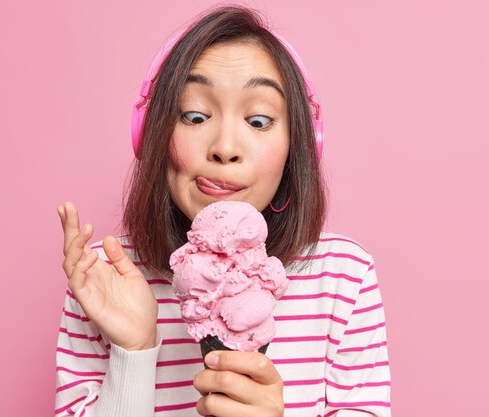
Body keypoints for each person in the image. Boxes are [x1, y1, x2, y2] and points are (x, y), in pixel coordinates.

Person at [54, 5, 391, 417]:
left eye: (259, 120)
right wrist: (133, 353)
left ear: (300, 144)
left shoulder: (344, 277)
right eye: (195, 116)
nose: (225, 148)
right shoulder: (101, 277)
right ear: (151, 133)